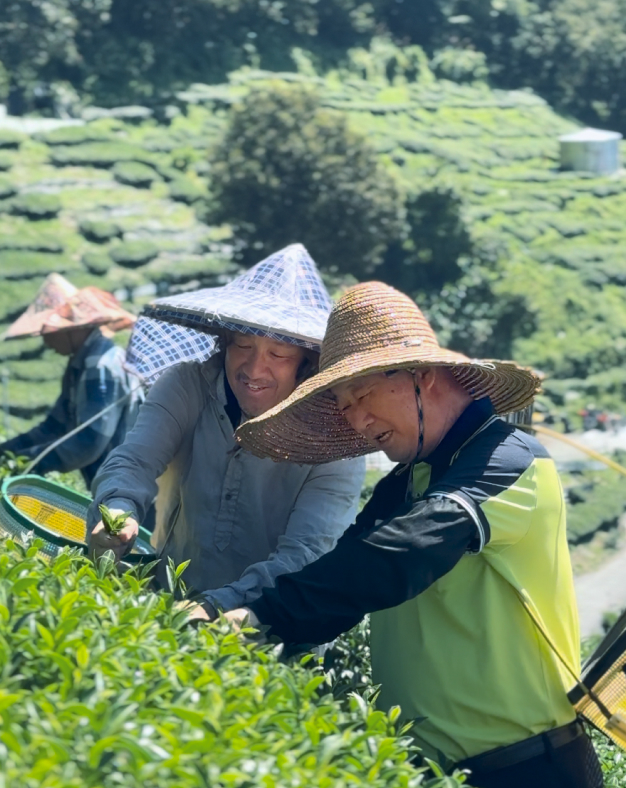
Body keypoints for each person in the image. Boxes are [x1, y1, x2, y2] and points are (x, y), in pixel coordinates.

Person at [218, 281, 602, 788]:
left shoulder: (509, 461)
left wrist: (260, 617)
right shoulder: (407, 480)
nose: (355, 418)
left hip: (527, 769)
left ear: (422, 376)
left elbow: (401, 554)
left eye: (362, 394)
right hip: (427, 770)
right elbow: (345, 572)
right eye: (344, 404)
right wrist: (236, 615)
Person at [87, 244, 365, 616]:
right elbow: (133, 460)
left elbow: (307, 552)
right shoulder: (188, 386)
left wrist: (218, 606)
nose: (254, 369)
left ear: (307, 362)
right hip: (173, 592)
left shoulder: (336, 438)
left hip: (265, 624)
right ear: (224, 341)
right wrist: (118, 509)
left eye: (278, 354)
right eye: (243, 345)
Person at [0, 274, 141, 487]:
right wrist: (7, 453)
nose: (46, 340)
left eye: (48, 331)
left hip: (128, 488)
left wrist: (26, 463)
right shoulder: (80, 364)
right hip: (108, 483)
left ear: (73, 329)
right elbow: (55, 426)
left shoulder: (101, 364)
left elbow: (88, 441)